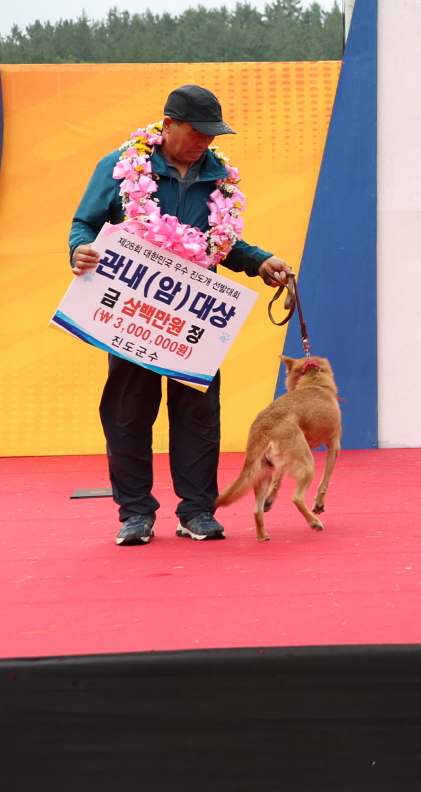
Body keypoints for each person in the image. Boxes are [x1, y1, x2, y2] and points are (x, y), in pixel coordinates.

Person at [69, 85, 292, 547]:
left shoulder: (219, 177)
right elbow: (84, 224)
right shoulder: (121, 166)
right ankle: (135, 514)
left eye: (210, 135)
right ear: (168, 124)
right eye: (196, 132)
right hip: (134, 312)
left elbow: (221, 245)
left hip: (193, 317)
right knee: (128, 414)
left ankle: (196, 512)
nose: (203, 143)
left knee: (198, 416)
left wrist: (259, 261)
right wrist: (80, 250)